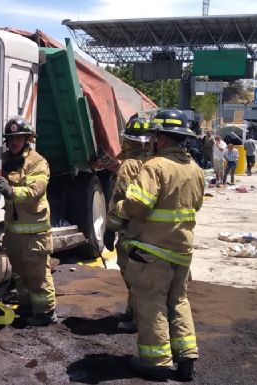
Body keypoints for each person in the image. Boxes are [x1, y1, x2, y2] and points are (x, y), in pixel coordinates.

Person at [109, 109, 204, 381]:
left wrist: (118, 211)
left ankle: (156, 361)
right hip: (181, 250)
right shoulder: (195, 169)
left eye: (154, 136)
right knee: (178, 301)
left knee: (151, 303)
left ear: (161, 139)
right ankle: (186, 357)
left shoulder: (155, 166)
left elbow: (138, 204)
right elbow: (195, 204)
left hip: (152, 250)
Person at [0, 117, 56, 327]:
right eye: (10, 139)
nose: (13, 142)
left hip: (35, 233)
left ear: (27, 139)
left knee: (37, 275)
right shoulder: (3, 160)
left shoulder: (37, 162)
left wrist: (10, 190)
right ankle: (27, 308)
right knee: (20, 275)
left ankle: (45, 314)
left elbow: (35, 192)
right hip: (14, 232)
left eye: (18, 138)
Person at [103, 114, 152, 331]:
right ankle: (134, 312)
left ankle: (137, 319)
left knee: (132, 275)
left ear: (128, 140)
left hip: (129, 230)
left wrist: (110, 228)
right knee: (145, 276)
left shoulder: (129, 165)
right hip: (151, 230)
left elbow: (120, 199)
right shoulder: (156, 162)